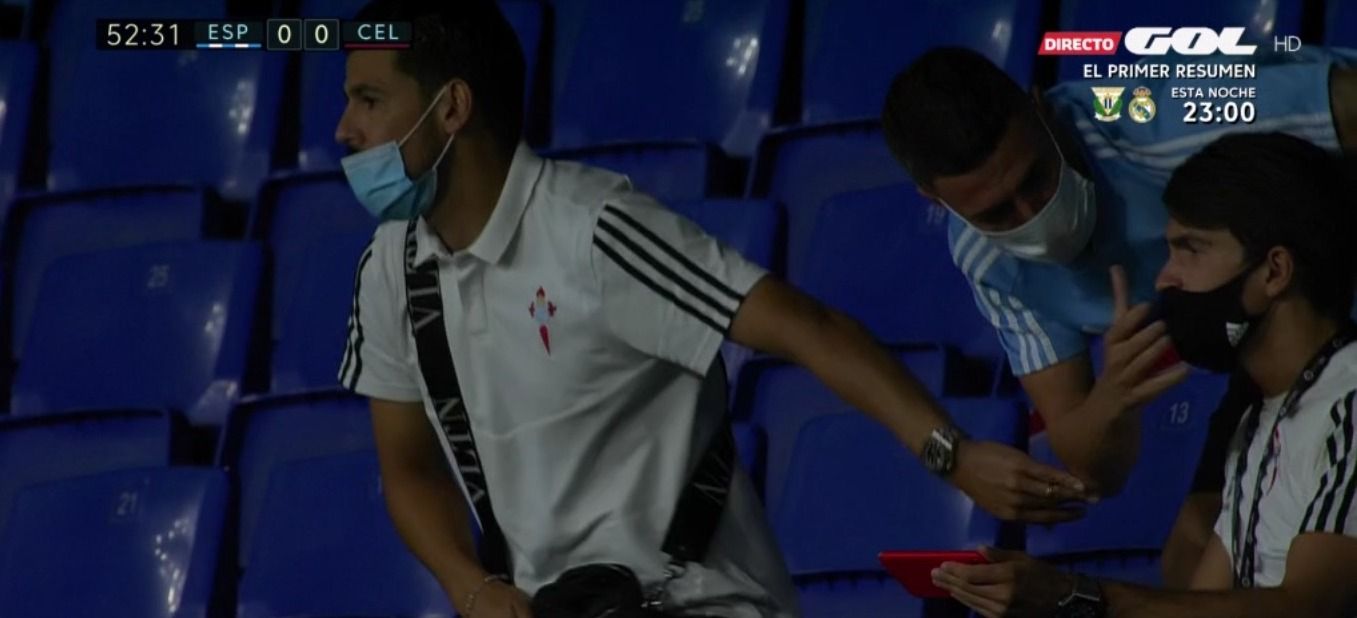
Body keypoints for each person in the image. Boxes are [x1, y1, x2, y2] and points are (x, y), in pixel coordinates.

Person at [333, 2, 1091, 617]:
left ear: (452, 107)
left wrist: (953, 455)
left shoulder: (593, 229)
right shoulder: (390, 267)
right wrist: (470, 587)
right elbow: (407, 467)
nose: (345, 130)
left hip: (703, 602)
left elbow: (806, 327)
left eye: (368, 100)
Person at [881, 46, 1357, 585]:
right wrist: (1111, 400)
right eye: (996, 213)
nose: (1032, 213)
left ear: (1041, 109)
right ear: (935, 200)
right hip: (1262, 337)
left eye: (1036, 178)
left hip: (1327, 284)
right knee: (1189, 554)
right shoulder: (985, 259)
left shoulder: (1154, 114)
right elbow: (1095, 470)